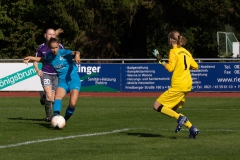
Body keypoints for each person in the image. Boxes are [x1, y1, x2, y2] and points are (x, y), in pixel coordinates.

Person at [152, 30, 199, 139]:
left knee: (156, 106)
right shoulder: (186, 52)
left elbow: (170, 68)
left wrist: (160, 60)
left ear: (171, 40)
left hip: (178, 84)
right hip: (187, 85)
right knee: (171, 110)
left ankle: (181, 119)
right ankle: (192, 129)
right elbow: (196, 66)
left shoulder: (173, 51)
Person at [24, 37, 81, 125]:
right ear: (49, 48)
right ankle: (56, 115)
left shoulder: (63, 53)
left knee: (72, 104)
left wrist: (77, 55)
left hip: (73, 79)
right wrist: (31, 58)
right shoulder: (50, 56)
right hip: (62, 81)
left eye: (56, 47)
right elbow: (42, 59)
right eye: (52, 48)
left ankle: (64, 120)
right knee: (57, 98)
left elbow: (76, 52)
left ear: (58, 46)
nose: (54, 50)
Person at [34, 28, 64, 121]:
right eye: (49, 34)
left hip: (56, 75)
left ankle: (43, 96)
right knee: (50, 96)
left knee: (53, 98)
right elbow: (35, 61)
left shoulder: (60, 46)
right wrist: (37, 69)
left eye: (53, 34)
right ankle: (49, 117)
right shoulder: (41, 47)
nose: (51, 36)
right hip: (46, 73)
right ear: (45, 35)